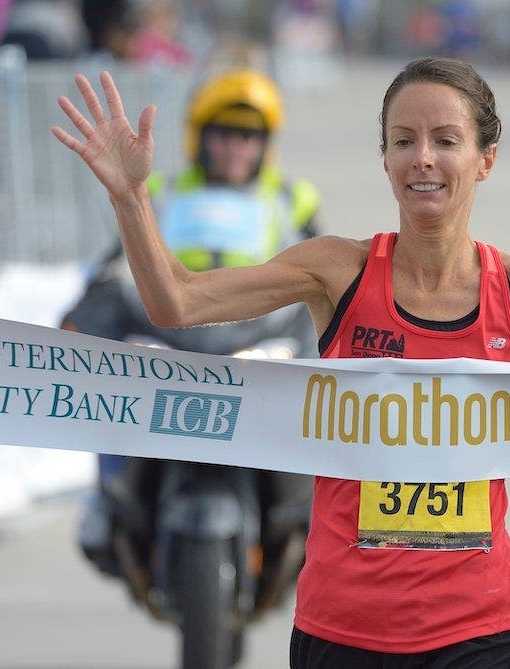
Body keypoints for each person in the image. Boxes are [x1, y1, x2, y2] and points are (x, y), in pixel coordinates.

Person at [52, 56, 510, 668]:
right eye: (403, 140)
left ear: (485, 159)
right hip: (341, 636)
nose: (424, 158)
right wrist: (131, 200)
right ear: (384, 158)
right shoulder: (335, 272)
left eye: (445, 138)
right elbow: (176, 302)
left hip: (480, 634)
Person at [61, 66, 322, 573]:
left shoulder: (294, 199)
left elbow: (325, 276)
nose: (235, 147)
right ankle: (109, 503)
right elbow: (115, 264)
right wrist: (83, 313)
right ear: (200, 137)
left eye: (248, 136)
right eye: (223, 133)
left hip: (258, 350)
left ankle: (302, 514)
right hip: (168, 345)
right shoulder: (158, 189)